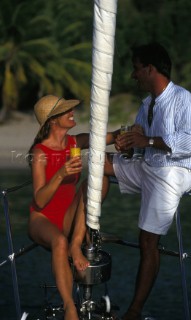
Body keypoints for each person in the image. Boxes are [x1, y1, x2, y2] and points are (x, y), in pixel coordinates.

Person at [104, 42, 191, 320]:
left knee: (147, 241)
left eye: (136, 69)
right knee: (99, 163)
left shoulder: (184, 99)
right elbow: (140, 145)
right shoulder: (147, 104)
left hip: (173, 172)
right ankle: (87, 231)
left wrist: (146, 140)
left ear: (150, 69)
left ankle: (134, 311)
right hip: (147, 165)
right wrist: (130, 146)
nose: (133, 75)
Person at [28, 95, 117, 320]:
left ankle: (75, 244)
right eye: (66, 111)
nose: (72, 113)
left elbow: (105, 137)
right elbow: (39, 200)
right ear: (52, 121)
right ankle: (69, 307)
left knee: (99, 179)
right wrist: (61, 173)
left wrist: (125, 135)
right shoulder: (40, 152)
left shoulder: (74, 143)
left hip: (69, 216)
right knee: (58, 241)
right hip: (42, 218)